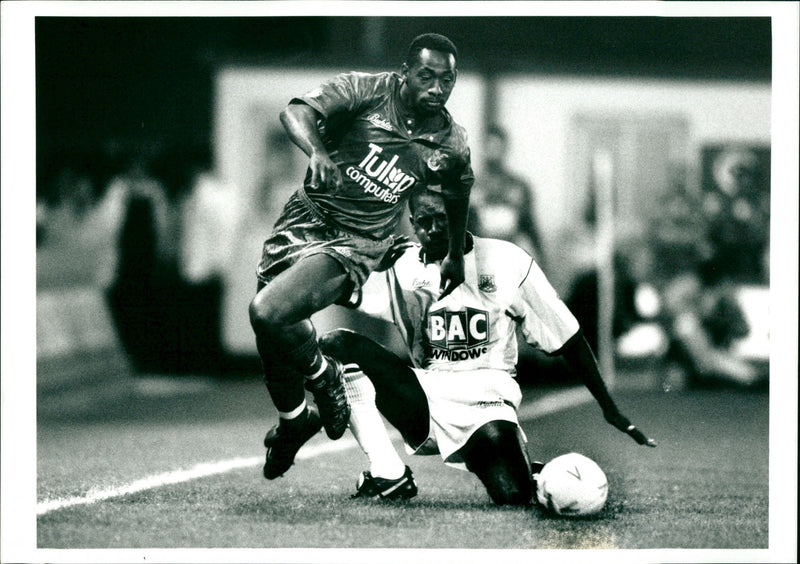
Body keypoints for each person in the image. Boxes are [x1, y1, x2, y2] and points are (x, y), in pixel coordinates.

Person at [318, 187, 656, 505]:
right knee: (337, 344)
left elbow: (568, 337)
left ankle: (530, 470)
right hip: (423, 395)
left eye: (443, 219)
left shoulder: (508, 261)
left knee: (513, 497)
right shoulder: (401, 267)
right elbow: (326, 288)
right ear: (412, 223)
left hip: (487, 404)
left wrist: (609, 408)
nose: (433, 229)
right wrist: (360, 255)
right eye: (423, 221)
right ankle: (388, 473)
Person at [249, 33, 475, 480]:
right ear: (405, 72)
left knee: (267, 311)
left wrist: (453, 254)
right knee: (272, 329)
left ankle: (324, 377)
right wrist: (316, 150)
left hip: (358, 243)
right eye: (426, 76)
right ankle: (296, 420)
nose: (435, 88)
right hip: (304, 218)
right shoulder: (367, 90)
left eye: (446, 80)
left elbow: (457, 190)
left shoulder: (449, 142)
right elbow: (294, 111)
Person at [469, 124, 546, 267]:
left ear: (505, 149)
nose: (494, 152)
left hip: (509, 253)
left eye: (498, 147)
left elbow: (530, 226)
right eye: (490, 146)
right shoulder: (470, 187)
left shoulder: (519, 186)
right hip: (479, 256)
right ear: (483, 149)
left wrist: (542, 259)